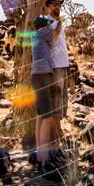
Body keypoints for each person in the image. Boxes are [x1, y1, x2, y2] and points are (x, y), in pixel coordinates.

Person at [30, 14, 61, 165]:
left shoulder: (36, 35)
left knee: (41, 116)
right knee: (48, 117)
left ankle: (39, 153)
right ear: (44, 25)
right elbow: (56, 32)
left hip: (37, 76)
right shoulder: (43, 32)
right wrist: (58, 22)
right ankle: (43, 158)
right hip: (42, 77)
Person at [44, 0, 69, 142]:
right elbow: (50, 39)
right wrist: (59, 26)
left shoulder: (57, 21)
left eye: (59, 4)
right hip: (54, 67)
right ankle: (55, 132)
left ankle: (58, 130)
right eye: (54, 4)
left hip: (63, 65)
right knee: (56, 98)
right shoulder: (47, 22)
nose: (57, 7)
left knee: (62, 98)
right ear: (48, 6)